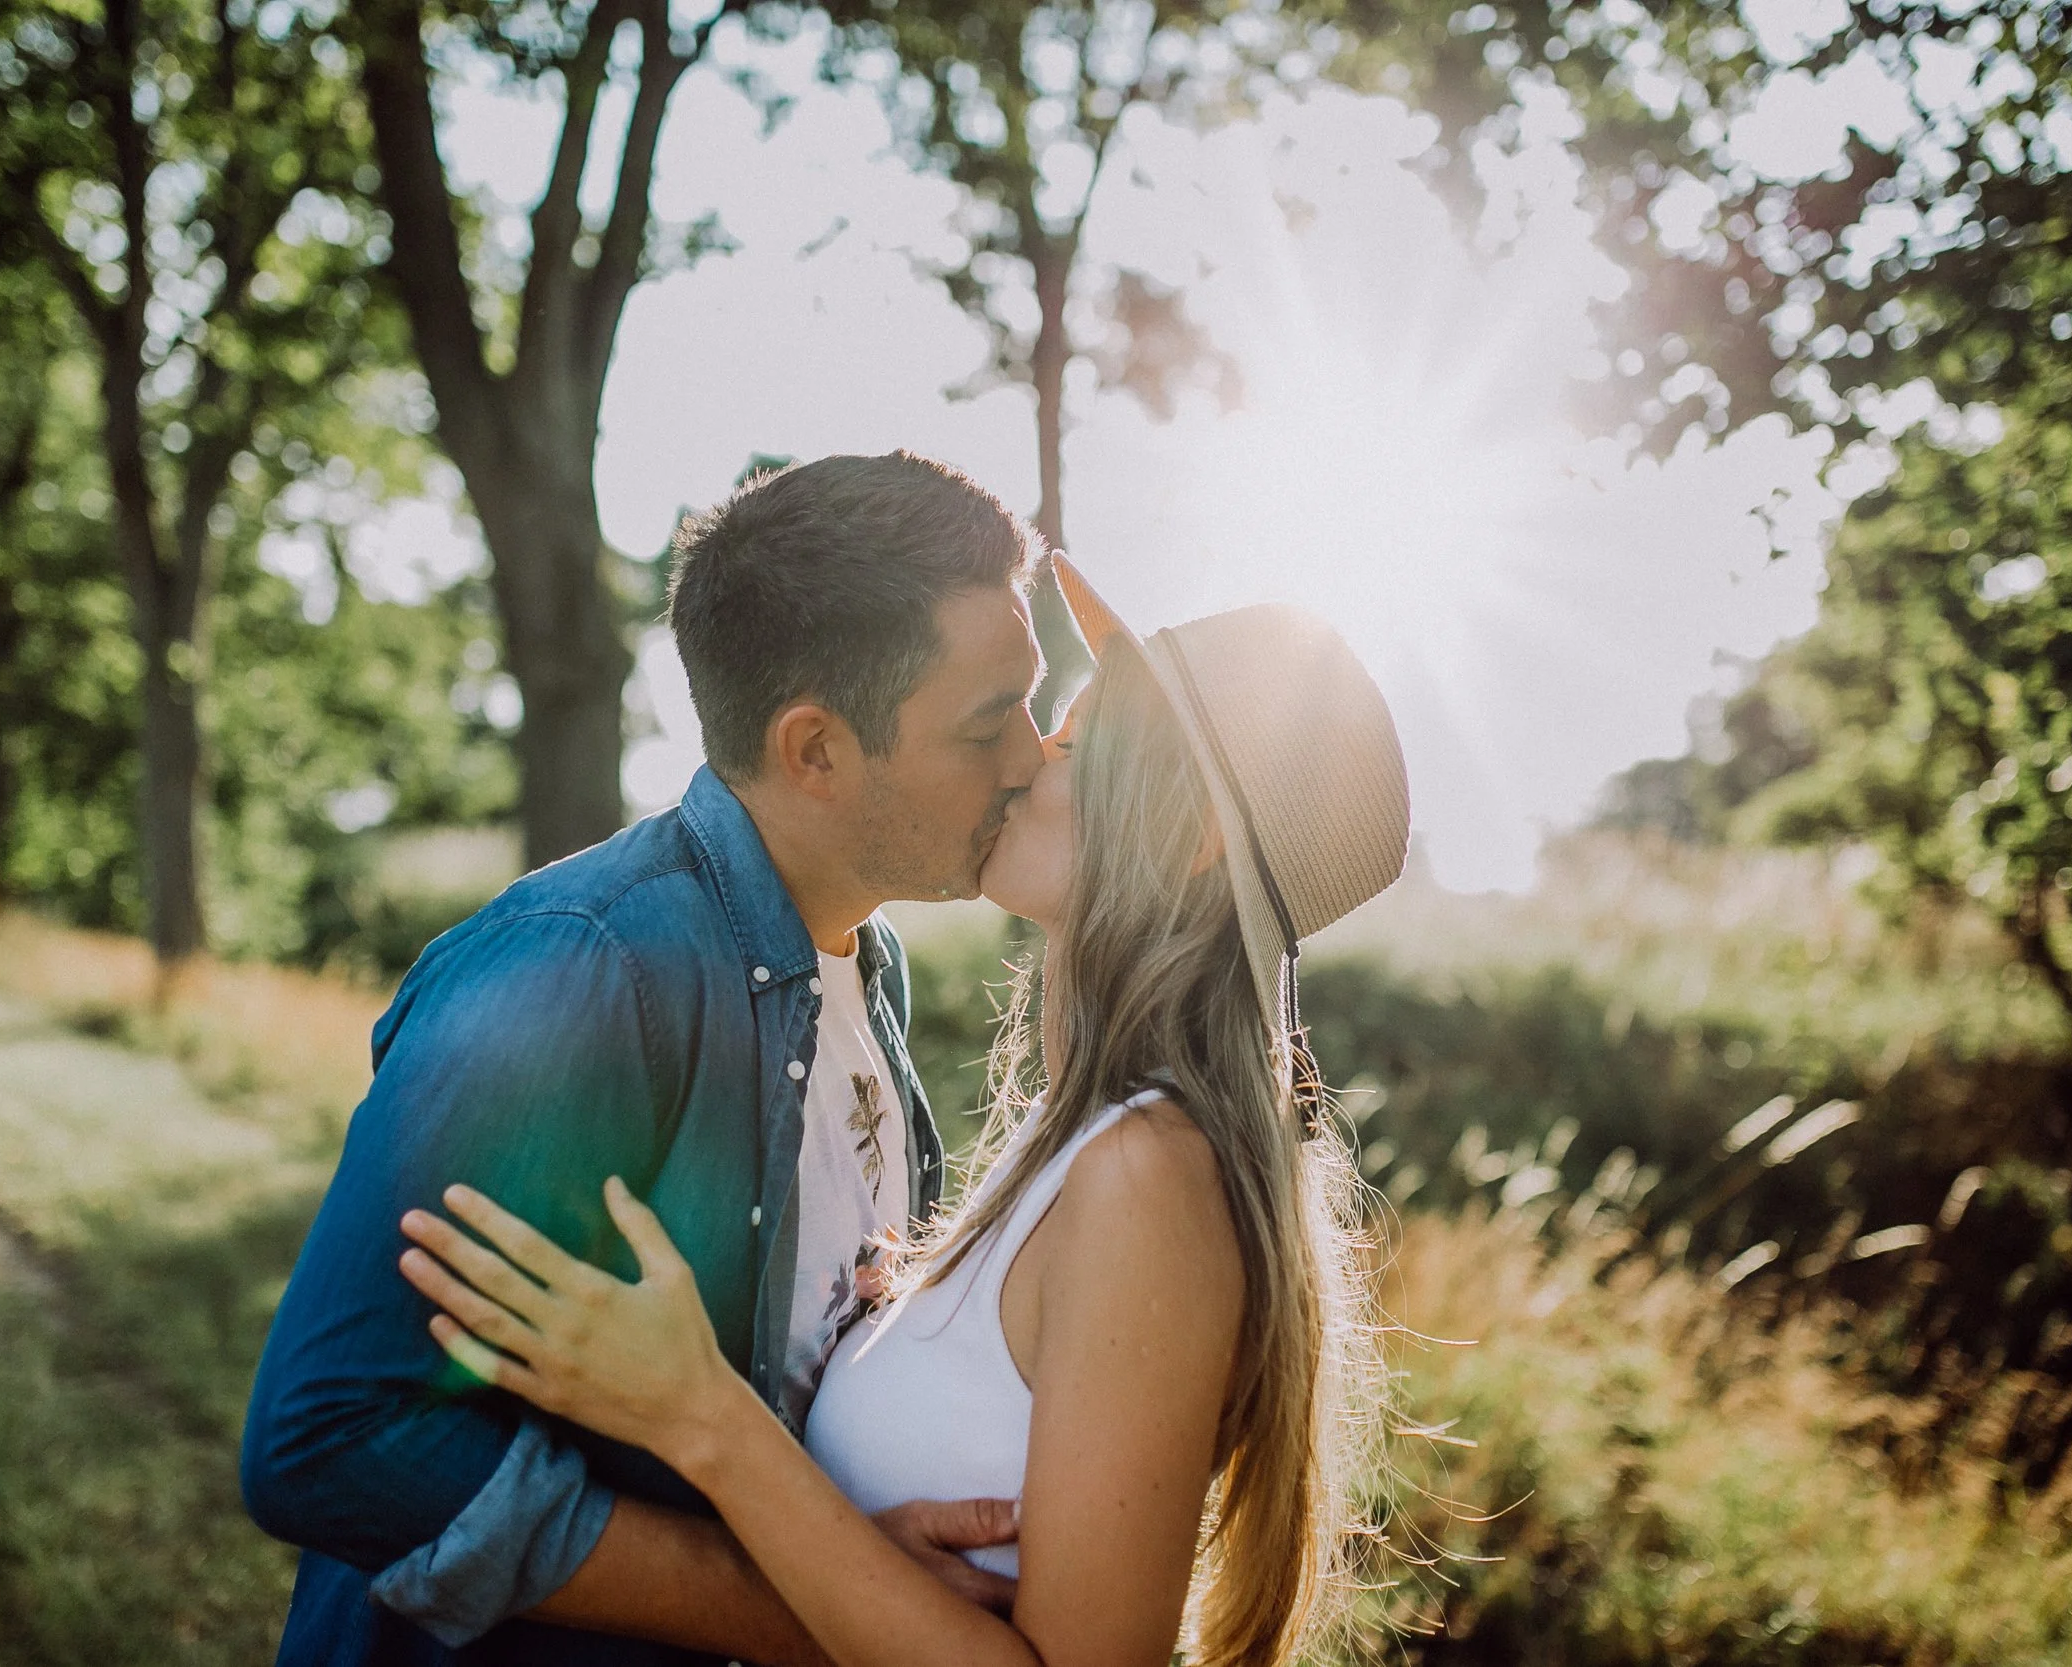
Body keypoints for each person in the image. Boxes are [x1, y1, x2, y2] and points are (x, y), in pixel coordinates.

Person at [395, 559, 1412, 1667]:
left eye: (1076, 742)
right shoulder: (1070, 1141)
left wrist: (701, 1413)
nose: (1027, 763)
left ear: (1192, 836)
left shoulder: (1148, 1173)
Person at [241, 452, 1056, 1665]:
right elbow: (328, 1437)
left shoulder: (864, 971)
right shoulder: (583, 973)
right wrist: (810, 1617)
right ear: (816, 750)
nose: (1034, 757)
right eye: (989, 723)